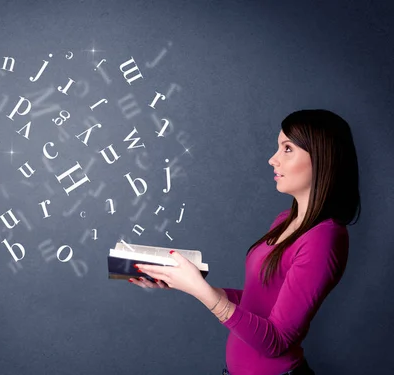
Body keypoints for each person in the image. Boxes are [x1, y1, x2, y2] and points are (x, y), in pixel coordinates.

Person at [130, 109, 361, 375]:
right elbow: (258, 302)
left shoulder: (325, 238)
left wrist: (199, 290)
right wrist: (189, 284)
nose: (273, 160)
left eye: (287, 149)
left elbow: (276, 340)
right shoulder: (284, 220)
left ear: (322, 158)